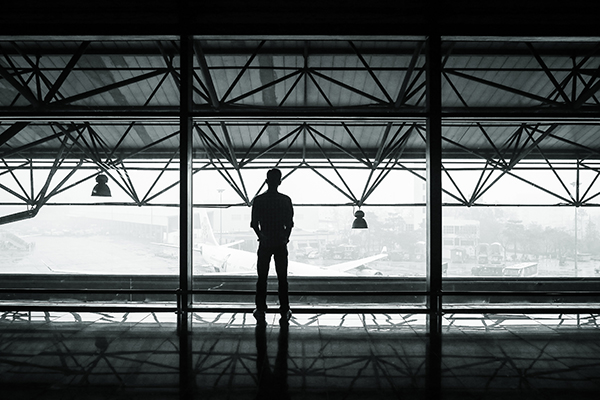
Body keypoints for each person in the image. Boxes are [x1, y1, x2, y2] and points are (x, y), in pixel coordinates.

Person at [251, 168, 294, 323]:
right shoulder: (285, 200)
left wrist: (262, 237)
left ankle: (261, 308)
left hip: (265, 242)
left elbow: (254, 224)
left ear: (266, 181)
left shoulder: (259, 200)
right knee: (282, 278)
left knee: (262, 277)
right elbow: (289, 224)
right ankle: (284, 308)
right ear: (280, 182)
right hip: (280, 242)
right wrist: (285, 238)